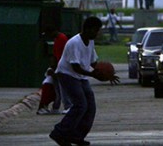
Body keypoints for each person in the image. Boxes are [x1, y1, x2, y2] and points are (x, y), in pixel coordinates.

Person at [49, 16, 120, 146]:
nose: (97, 33)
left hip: (80, 76)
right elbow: (75, 67)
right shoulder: (74, 43)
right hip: (67, 74)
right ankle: (59, 132)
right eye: (96, 30)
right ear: (87, 29)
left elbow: (93, 62)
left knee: (90, 106)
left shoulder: (90, 41)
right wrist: (93, 74)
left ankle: (76, 136)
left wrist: (105, 74)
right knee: (80, 105)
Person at [45, 23, 69, 113]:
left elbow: (63, 54)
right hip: (58, 67)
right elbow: (55, 55)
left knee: (62, 89)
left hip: (62, 67)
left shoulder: (62, 39)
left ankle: (67, 106)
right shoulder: (57, 39)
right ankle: (56, 107)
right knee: (57, 89)